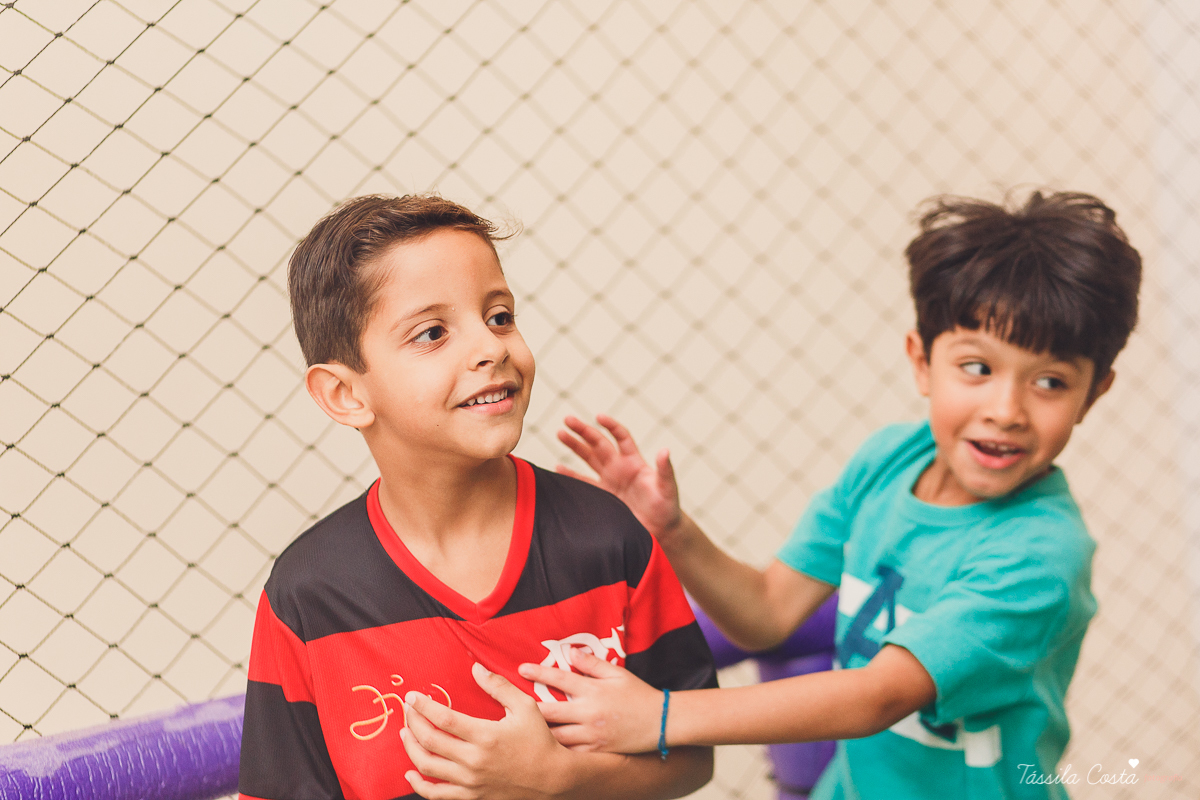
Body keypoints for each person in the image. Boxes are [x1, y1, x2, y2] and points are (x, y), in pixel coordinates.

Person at [507, 191, 1142, 799]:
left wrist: (662, 717)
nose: (1006, 410)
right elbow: (766, 613)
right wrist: (672, 529)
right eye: (977, 368)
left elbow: (878, 697)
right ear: (921, 360)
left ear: (1097, 393)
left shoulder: (1042, 555)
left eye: (1051, 382)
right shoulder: (887, 462)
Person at [237, 194, 716, 800]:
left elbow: (694, 757)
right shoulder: (308, 594)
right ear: (344, 394)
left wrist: (560, 780)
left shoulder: (606, 537)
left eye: (499, 317)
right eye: (432, 333)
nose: (491, 348)